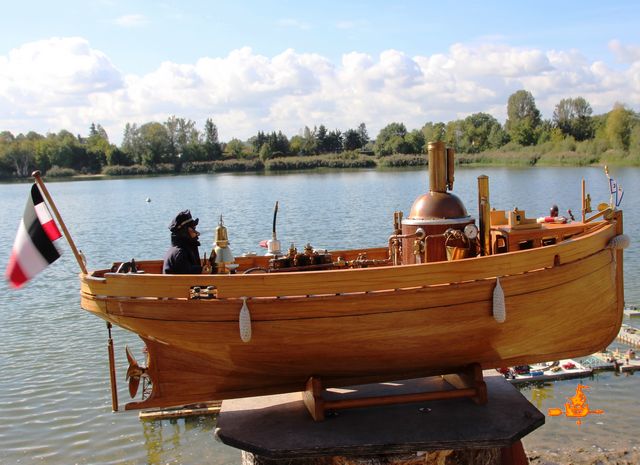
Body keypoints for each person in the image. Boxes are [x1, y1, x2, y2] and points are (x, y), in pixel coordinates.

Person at [163, 210, 203, 274]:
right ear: (184, 232)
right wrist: (203, 270)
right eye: (193, 229)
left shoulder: (181, 249)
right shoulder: (180, 253)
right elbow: (186, 273)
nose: (197, 233)